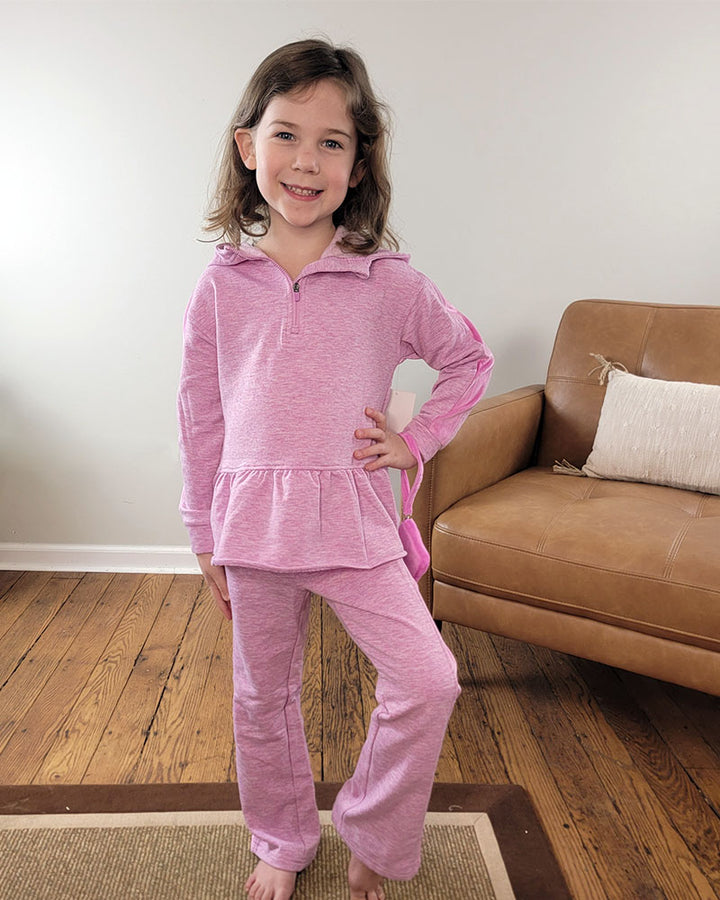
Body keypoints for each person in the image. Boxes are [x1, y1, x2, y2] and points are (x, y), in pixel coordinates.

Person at [177, 38, 494, 900]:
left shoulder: (390, 283)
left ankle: (374, 834)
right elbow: (201, 418)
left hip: (354, 519)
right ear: (248, 147)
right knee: (261, 699)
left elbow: (470, 361)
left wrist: (418, 438)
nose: (306, 161)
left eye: (332, 142)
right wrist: (202, 530)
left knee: (429, 680)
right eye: (287, 134)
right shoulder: (219, 288)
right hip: (252, 523)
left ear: (358, 165)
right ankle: (281, 839)